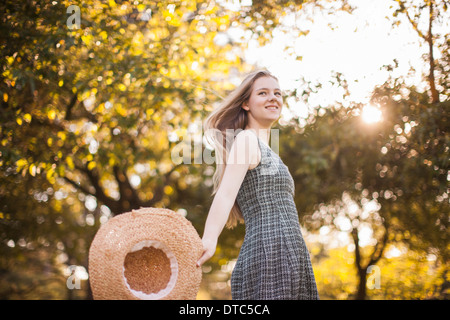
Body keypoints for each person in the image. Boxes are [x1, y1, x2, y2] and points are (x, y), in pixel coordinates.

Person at [196, 70, 319, 300]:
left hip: (291, 253)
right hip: (270, 253)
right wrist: (209, 238)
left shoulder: (269, 149)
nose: (273, 98)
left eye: (277, 93)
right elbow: (225, 194)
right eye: (263, 93)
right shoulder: (246, 139)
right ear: (245, 104)